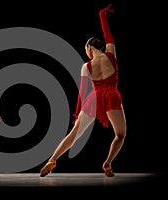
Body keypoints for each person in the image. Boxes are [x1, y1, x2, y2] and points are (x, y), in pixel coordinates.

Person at [40, 4, 126, 177]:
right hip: (111, 96)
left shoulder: (86, 66)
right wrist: (102, 15)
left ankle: (52, 159)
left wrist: (78, 112)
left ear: (89, 47)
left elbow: (83, 92)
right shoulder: (111, 54)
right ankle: (107, 163)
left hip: (94, 98)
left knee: (74, 134)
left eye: (85, 49)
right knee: (120, 135)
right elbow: (108, 33)